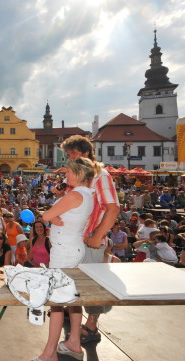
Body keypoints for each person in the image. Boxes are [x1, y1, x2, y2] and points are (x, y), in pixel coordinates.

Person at [37, 157, 99, 361]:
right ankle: (74, 343)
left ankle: (49, 353)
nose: (66, 175)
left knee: (56, 303)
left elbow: (45, 216)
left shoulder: (74, 196)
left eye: (69, 172)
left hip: (64, 251)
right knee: (72, 298)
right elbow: (55, 215)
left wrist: (51, 215)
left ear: (79, 174)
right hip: (72, 248)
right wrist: (54, 212)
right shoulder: (85, 194)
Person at [60, 135, 119, 346]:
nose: (71, 158)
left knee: (93, 285)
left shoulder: (101, 176)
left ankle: (92, 325)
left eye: (74, 154)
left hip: (90, 239)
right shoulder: (81, 177)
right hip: (77, 239)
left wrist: (97, 236)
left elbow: (113, 208)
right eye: (68, 155)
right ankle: (74, 317)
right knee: (77, 281)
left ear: (86, 153)